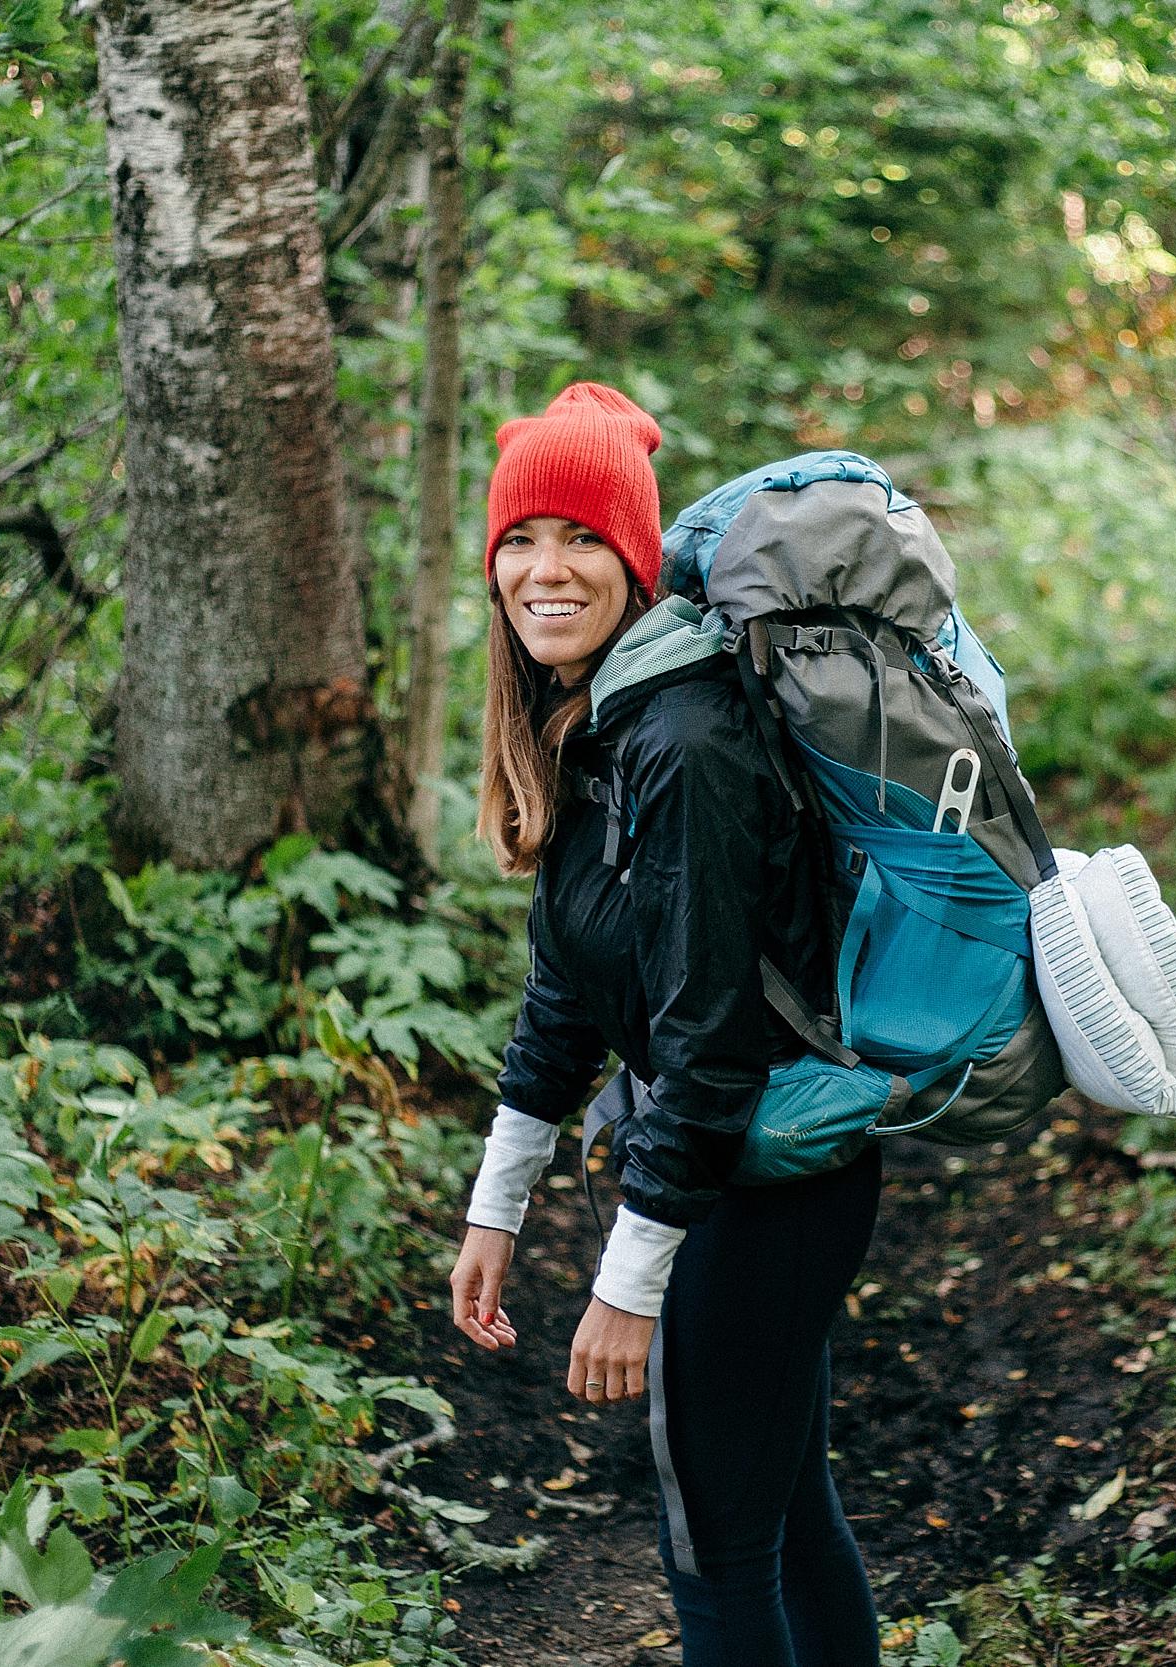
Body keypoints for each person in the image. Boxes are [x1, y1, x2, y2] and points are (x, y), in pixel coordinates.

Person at [445, 382, 884, 1666]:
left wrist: (628, 1285)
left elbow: (706, 1041)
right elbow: (565, 988)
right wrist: (495, 1206)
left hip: (767, 1187)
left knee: (718, 1554)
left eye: (581, 537)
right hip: (744, 1178)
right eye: (520, 539)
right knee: (784, 1514)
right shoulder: (597, 721)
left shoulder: (682, 738)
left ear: (633, 559)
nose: (545, 568)